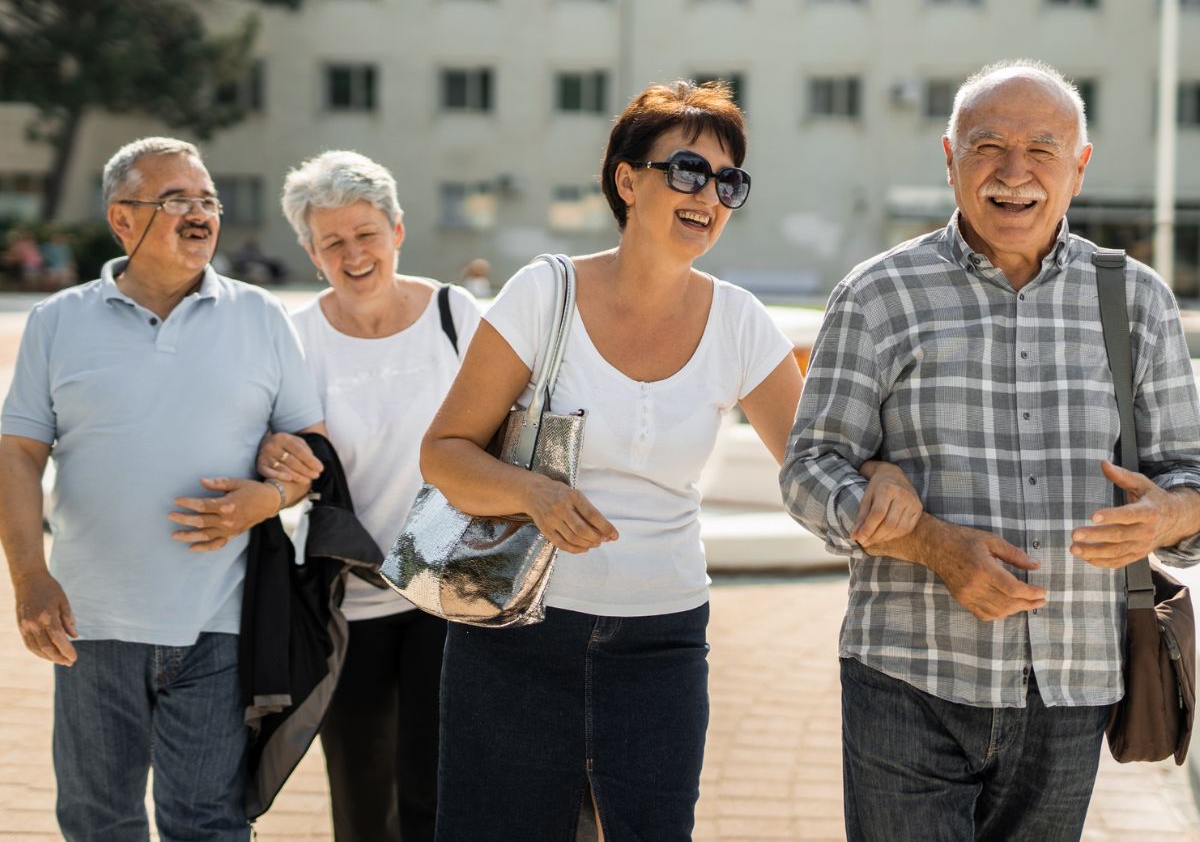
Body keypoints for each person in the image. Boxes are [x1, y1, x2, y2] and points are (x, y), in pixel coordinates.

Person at [421, 80, 922, 840]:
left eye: (728, 181)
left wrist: (881, 472)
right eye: (687, 170)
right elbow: (443, 453)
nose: (709, 195)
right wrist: (533, 494)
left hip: (661, 645)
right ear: (628, 180)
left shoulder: (739, 323)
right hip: (516, 637)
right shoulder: (542, 294)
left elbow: (819, 463)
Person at [780, 59, 1200, 842]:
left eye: (1042, 149)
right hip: (906, 675)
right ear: (949, 158)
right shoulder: (879, 294)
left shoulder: (1136, 300)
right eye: (987, 148)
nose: (1014, 174)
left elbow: (1190, 476)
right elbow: (808, 468)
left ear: (1079, 165)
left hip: (1073, 683)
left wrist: (1168, 514)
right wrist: (931, 543)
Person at [0, 137, 324, 841]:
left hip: (219, 623)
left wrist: (267, 499)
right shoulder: (60, 321)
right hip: (89, 624)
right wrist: (29, 577)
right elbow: (19, 454)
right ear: (123, 219)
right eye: (176, 200)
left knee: (206, 822)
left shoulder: (262, 317)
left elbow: (310, 453)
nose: (201, 214)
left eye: (207, 199)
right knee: (97, 821)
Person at [256, 150, 482, 842]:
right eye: (333, 242)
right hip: (349, 600)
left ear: (397, 231)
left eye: (366, 234)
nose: (354, 254)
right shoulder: (296, 339)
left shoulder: (454, 312)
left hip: (447, 591)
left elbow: (504, 431)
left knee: (437, 786)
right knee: (360, 790)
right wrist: (273, 455)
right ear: (311, 251)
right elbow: (285, 464)